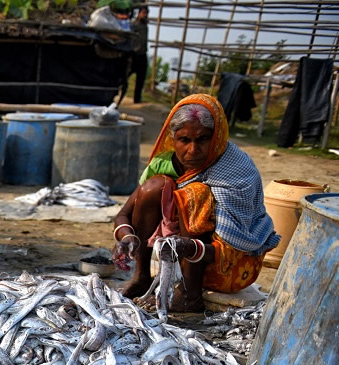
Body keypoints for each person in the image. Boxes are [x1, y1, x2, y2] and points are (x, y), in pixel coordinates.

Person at [111, 94, 279, 312]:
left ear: (216, 137)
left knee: (194, 194)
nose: (192, 150)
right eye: (184, 140)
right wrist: (127, 238)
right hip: (178, 259)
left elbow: (230, 250)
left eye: (202, 140)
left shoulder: (237, 171)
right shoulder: (164, 164)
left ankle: (189, 296)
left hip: (231, 267)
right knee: (154, 186)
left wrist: (189, 247)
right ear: (173, 139)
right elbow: (123, 214)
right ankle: (142, 277)